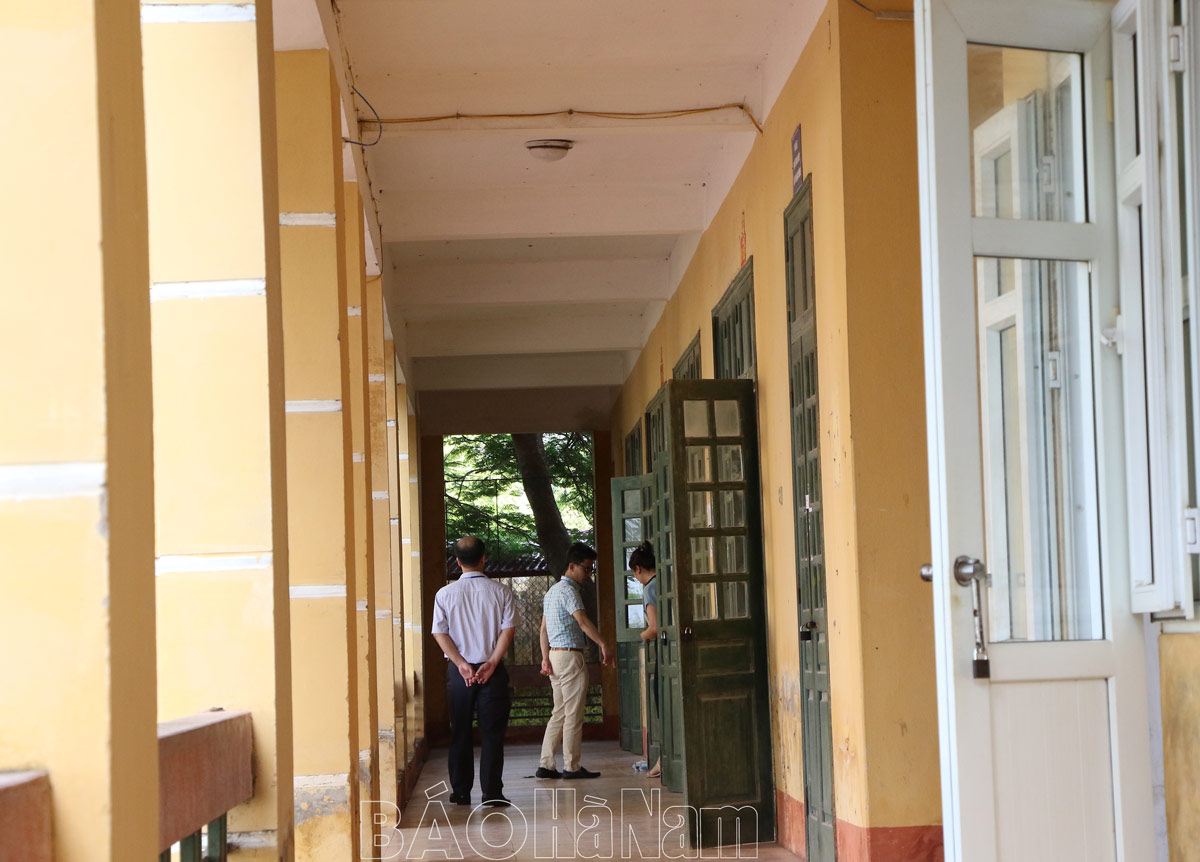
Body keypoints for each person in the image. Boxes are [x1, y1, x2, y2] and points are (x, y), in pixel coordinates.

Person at [430, 536, 517, 807]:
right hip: (493, 672)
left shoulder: (444, 594)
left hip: (460, 674)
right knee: (492, 733)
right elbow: (508, 630)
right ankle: (492, 792)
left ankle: (461, 792)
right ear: (483, 559)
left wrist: (460, 663)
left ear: (457, 562)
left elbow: (439, 633)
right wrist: (492, 662)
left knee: (460, 731)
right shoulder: (501, 592)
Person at [536, 541, 614, 779]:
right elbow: (582, 622)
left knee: (559, 712)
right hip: (570, 657)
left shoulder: (551, 592)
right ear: (572, 566)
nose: (589, 574)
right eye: (586, 568)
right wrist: (603, 643)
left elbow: (543, 630)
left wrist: (545, 658)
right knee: (573, 715)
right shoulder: (570, 591)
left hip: (555, 656)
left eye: (591, 569)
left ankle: (546, 764)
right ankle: (571, 766)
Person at [628, 541, 661, 778]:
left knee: (662, 706)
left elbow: (655, 627)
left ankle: (663, 760)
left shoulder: (650, 589)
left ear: (638, 569)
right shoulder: (665, 582)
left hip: (663, 650)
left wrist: (643, 636)